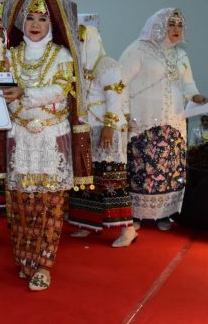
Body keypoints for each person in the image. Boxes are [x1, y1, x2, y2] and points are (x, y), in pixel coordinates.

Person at [0, 0, 92, 290]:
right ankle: (25, 260)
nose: (35, 24)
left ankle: (44, 265)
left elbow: (60, 90)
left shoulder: (62, 55)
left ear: (51, 23)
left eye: (42, 18)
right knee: (22, 202)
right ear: (21, 22)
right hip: (20, 136)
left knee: (50, 203)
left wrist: (23, 93)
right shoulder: (10, 55)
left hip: (51, 137)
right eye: (30, 18)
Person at [119, 8, 208, 231]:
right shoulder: (138, 49)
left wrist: (195, 96)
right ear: (158, 26)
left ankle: (164, 214)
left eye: (179, 25)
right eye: (171, 24)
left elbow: (188, 84)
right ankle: (136, 214)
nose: (176, 29)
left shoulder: (181, 55)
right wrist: (124, 113)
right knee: (142, 168)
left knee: (169, 168)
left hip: (174, 121)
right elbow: (120, 83)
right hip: (144, 121)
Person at [68, 23, 136, 247]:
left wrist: (108, 126)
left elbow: (115, 99)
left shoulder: (108, 65)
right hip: (87, 128)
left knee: (111, 178)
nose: (79, 45)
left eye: (82, 41)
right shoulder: (78, 68)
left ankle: (127, 229)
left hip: (108, 129)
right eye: (76, 41)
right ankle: (87, 223)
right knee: (88, 177)